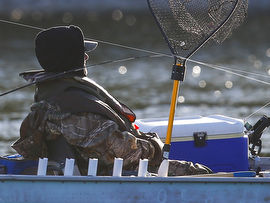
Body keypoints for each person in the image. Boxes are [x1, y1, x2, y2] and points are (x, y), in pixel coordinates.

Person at [11, 25, 166, 175]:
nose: (86, 57)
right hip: (113, 179)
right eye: (81, 53)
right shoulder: (72, 108)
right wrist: (156, 145)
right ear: (70, 58)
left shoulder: (55, 99)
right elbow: (123, 153)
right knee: (188, 170)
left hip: (105, 173)